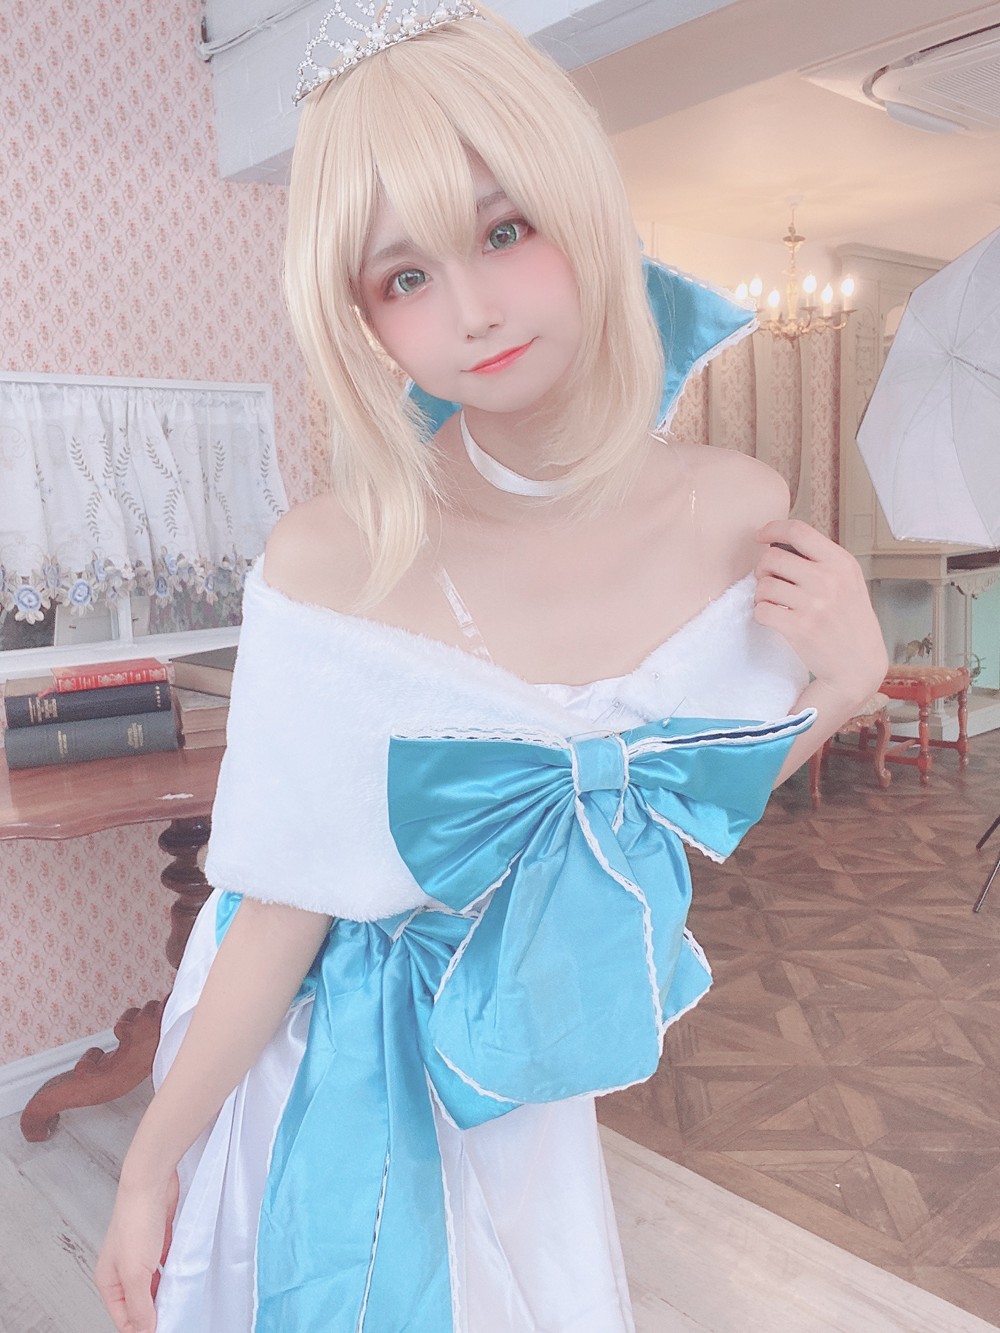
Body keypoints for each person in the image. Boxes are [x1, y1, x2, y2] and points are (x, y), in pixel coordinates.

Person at [96, 4, 888, 1331]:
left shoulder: (732, 507)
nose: (470, 311)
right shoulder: (335, 556)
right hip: (309, 1055)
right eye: (404, 277)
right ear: (361, 318)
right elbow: (280, 911)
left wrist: (841, 689)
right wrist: (149, 1158)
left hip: (515, 1052)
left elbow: (655, 805)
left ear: (582, 208)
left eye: (505, 231)